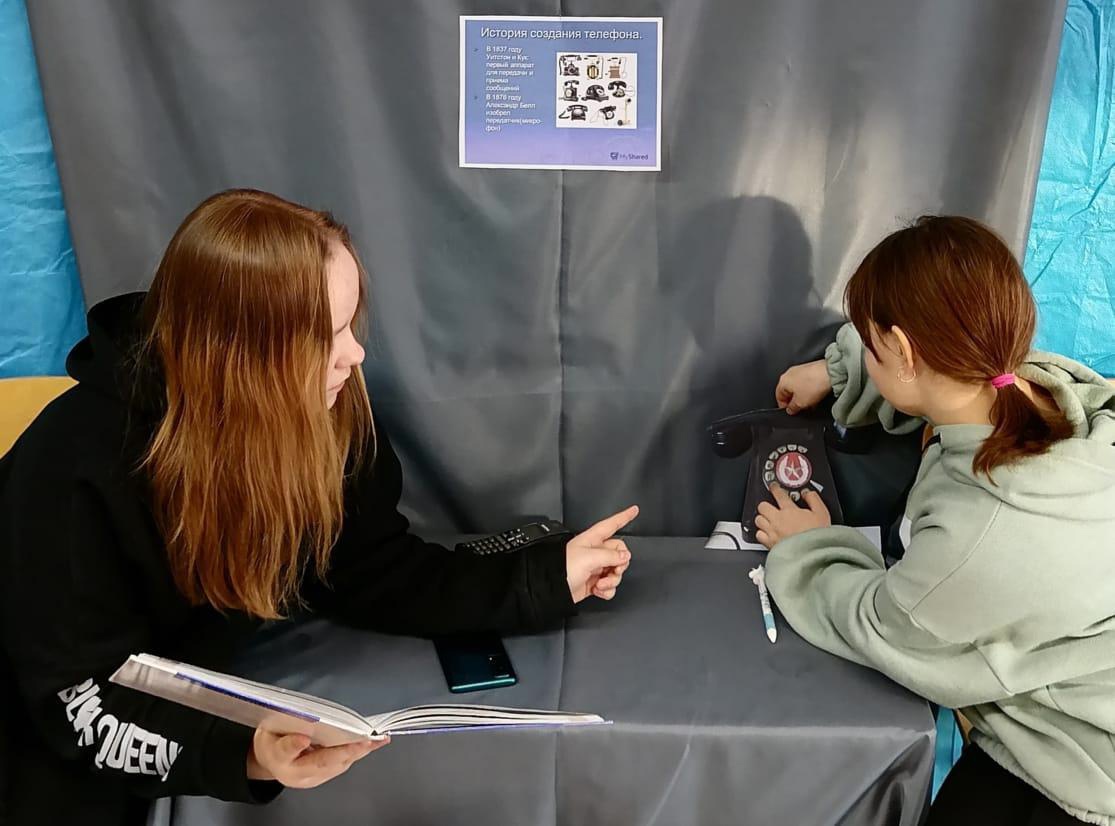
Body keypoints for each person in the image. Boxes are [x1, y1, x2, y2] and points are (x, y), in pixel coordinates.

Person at [0, 189, 637, 825]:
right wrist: (244, 755)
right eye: (327, 336)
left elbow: (377, 573)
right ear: (243, 354)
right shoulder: (74, 466)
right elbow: (77, 701)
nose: (354, 355)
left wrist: (546, 577)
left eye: (350, 325)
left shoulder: (328, 412)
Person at [763, 216, 1115, 825]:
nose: (867, 353)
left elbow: (885, 626)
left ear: (903, 352)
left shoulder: (985, 531)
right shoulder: (1041, 386)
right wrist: (839, 371)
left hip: (1079, 767)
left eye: (872, 346)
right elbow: (938, 382)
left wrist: (810, 546)